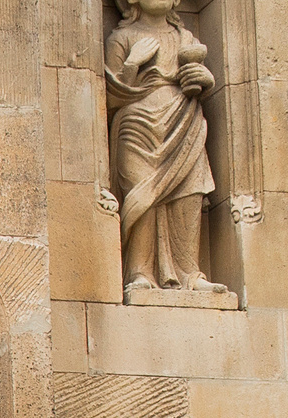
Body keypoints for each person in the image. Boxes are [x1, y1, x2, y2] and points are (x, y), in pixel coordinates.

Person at [105, 0, 218, 292]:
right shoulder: (122, 38)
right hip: (137, 125)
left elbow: (198, 79)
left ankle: (189, 273)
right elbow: (111, 95)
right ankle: (139, 272)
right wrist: (133, 62)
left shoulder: (186, 39)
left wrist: (205, 80)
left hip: (184, 121)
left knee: (188, 192)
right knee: (142, 194)